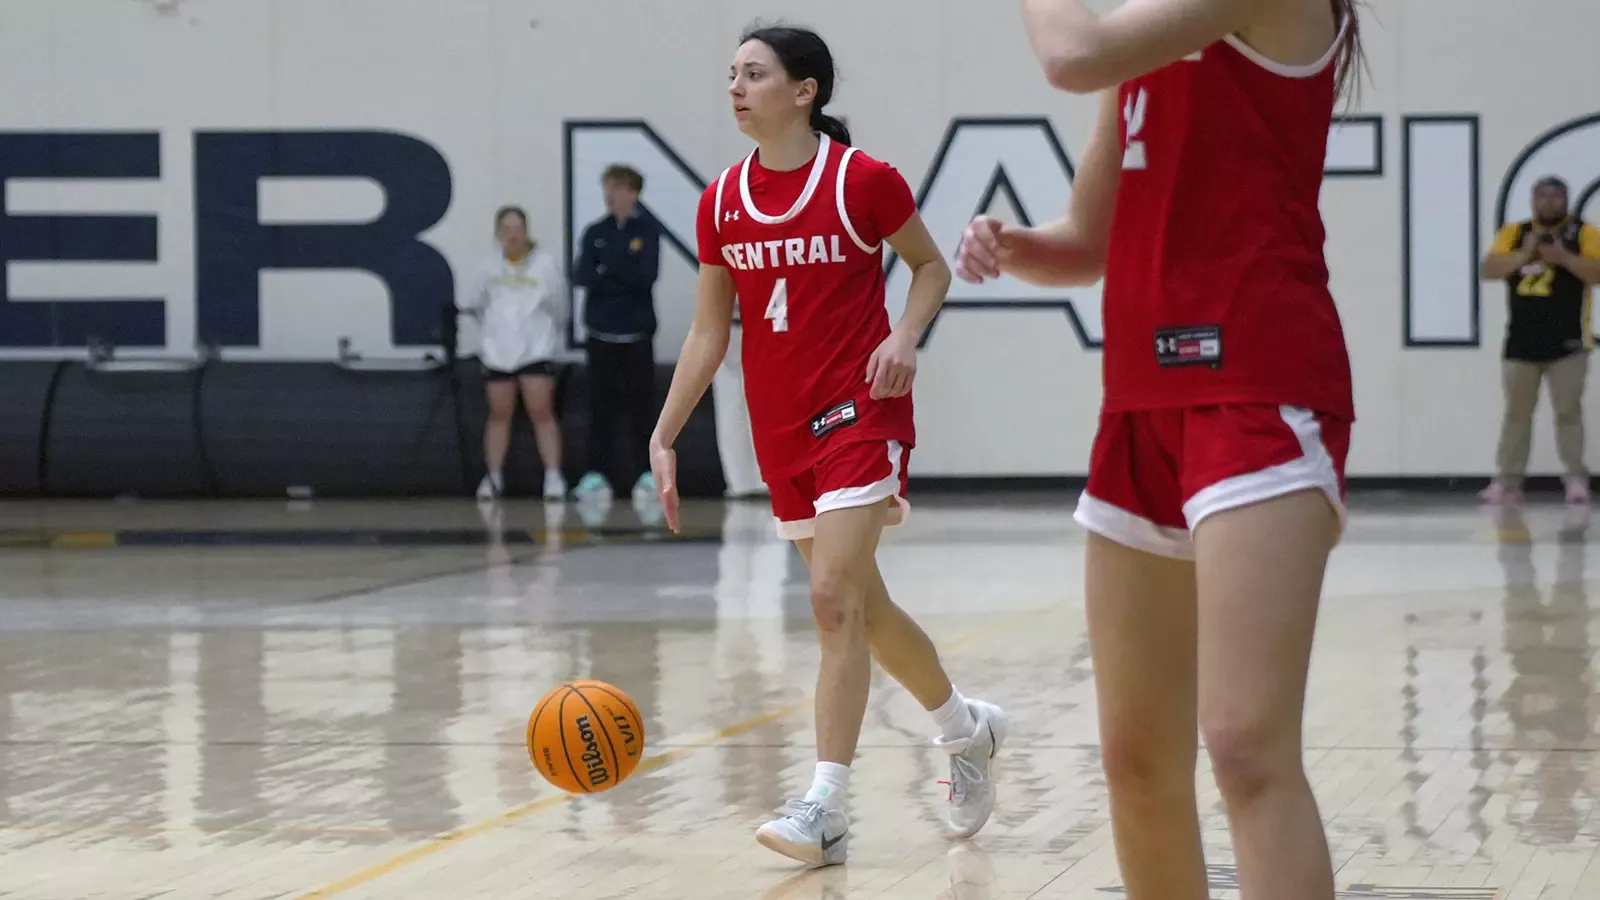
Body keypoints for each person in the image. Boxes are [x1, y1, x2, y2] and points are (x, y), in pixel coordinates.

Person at [956, 1, 1364, 898]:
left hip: (1258, 385)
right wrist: (1017, 245)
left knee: (1246, 747)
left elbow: (1071, 52)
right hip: (1141, 404)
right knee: (1136, 757)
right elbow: (1089, 241)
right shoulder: (1151, 34)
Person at [647, 24, 1010, 867]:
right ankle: (965, 729)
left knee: (828, 595)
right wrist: (666, 435)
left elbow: (929, 267)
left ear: (804, 90)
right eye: (730, 75)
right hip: (780, 429)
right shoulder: (721, 200)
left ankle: (827, 807)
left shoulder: (861, 179)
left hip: (859, 410)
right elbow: (709, 335)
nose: (736, 88)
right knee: (862, 607)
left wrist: (907, 337)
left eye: (755, 74)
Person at [1478, 176, 1600, 506]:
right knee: (1517, 414)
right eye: (1542, 197)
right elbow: (1488, 268)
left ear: (1567, 200)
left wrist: (1564, 258)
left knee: (1568, 413)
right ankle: (1508, 482)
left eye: (1556, 197)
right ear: (1533, 201)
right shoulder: (1515, 233)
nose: (1549, 203)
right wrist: (1524, 254)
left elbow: (1597, 273)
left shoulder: (1583, 233)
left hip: (1570, 343)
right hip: (1520, 343)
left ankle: (1575, 479)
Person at [461, 205, 567, 501]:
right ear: (498, 233)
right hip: (498, 353)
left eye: (517, 228)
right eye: (506, 229)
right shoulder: (488, 267)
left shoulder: (544, 265)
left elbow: (559, 307)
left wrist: (542, 336)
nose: (513, 235)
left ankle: (553, 477)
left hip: (535, 351)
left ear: (526, 231)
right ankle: (493, 477)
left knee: (541, 412)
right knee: (498, 414)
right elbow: (477, 305)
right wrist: (491, 338)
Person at [570, 165, 662, 503]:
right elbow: (581, 275)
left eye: (618, 188)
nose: (611, 195)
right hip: (600, 335)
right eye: (607, 187)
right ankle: (596, 474)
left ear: (633, 192)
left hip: (636, 335)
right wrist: (616, 269)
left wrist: (607, 269)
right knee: (600, 408)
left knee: (642, 408)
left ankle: (647, 473)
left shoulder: (647, 231)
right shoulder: (595, 231)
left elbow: (645, 276)